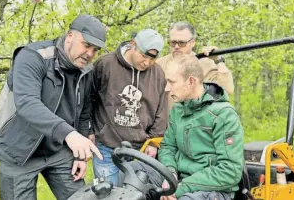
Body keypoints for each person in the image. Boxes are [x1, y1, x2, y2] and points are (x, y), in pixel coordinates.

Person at [0, 14, 104, 200]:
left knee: (83, 197)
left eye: (95, 49)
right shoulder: (32, 57)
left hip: (58, 150)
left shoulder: (87, 70)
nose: (90, 54)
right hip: (18, 152)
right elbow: (27, 103)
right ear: (70, 36)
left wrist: (80, 156)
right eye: (86, 45)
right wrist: (70, 135)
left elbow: (84, 112)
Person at [130, 55, 244, 200]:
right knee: (133, 172)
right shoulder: (178, 110)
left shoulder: (224, 114)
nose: (166, 88)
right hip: (179, 178)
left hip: (213, 188)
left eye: (171, 82)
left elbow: (230, 172)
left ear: (191, 81)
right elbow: (167, 147)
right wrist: (169, 173)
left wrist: (180, 188)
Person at [90, 29, 168, 186]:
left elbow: (162, 109)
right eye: (144, 55)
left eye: (152, 58)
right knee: (107, 194)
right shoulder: (105, 64)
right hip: (106, 146)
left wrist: (153, 141)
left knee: (136, 194)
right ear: (133, 45)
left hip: (141, 149)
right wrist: (89, 130)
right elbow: (88, 100)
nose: (147, 62)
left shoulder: (158, 73)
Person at [156, 21, 234, 109]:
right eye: (173, 42)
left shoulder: (204, 64)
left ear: (192, 42)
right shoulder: (159, 65)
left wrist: (218, 59)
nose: (177, 46)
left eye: (182, 43)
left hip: (198, 121)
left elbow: (227, 89)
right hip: (168, 121)